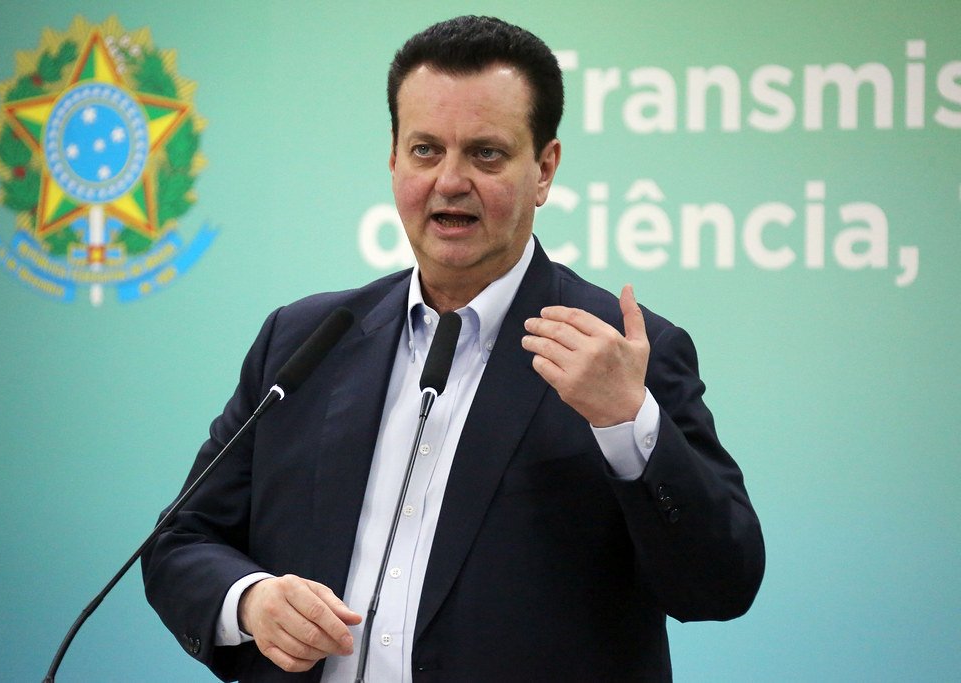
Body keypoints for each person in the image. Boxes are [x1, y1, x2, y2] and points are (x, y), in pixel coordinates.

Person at [142, 15, 764, 682]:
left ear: (545, 169)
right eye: (426, 150)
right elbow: (180, 540)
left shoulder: (623, 352)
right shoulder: (304, 341)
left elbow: (720, 584)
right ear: (393, 159)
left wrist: (626, 421)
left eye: (486, 154)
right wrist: (251, 601)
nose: (450, 180)